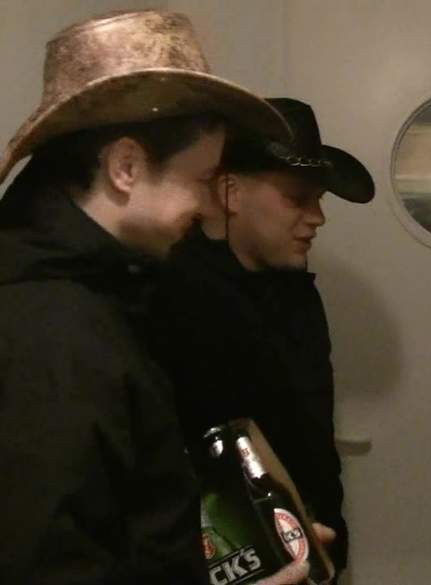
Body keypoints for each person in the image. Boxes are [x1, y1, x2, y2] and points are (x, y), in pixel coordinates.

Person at [0, 9, 313, 584]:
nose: (209, 205)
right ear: (126, 166)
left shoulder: (99, 288)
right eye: (203, 179)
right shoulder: (51, 329)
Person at [148, 97, 375, 577]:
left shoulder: (295, 293)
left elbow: (310, 438)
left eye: (319, 199)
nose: (317, 217)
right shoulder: (174, 297)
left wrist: (328, 546)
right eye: (298, 198)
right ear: (231, 191)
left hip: (311, 549)